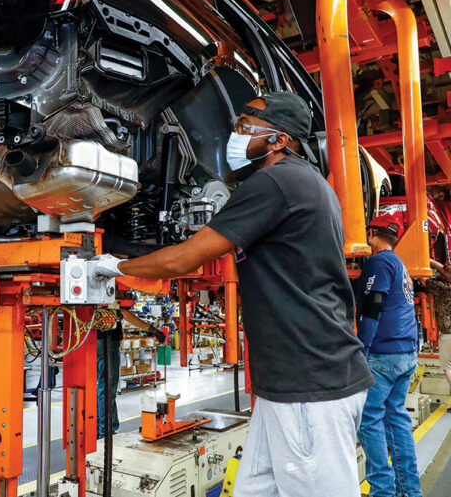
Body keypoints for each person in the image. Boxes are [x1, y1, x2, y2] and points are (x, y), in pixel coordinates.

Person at [94, 92, 373, 497]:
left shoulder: (276, 181)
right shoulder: (302, 181)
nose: (235, 134)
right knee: (253, 490)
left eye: (246, 127)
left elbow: (181, 261)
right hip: (290, 382)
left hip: (308, 384)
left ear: (278, 140)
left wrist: (111, 266)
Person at [354, 214, 422, 497]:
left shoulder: (379, 261)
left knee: (369, 418)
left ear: (371, 234)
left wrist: (362, 349)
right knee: (396, 417)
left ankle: (382, 491)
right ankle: (409, 490)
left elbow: (373, 304)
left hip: (383, 353)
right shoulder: (399, 263)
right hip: (406, 351)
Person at [97, 310, 166, 438]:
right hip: (108, 342)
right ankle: (106, 432)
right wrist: (153, 330)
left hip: (96, 342)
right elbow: (126, 314)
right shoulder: (112, 297)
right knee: (107, 389)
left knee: (100, 387)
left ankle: (100, 428)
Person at [422, 259, 451, 399]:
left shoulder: (443, 288)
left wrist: (424, 258)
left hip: (448, 334)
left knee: (448, 368)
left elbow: (423, 279)